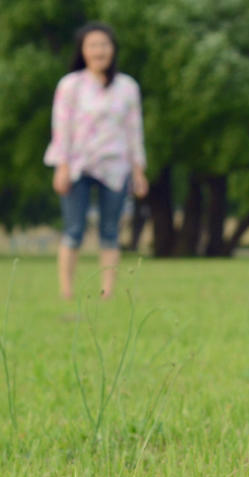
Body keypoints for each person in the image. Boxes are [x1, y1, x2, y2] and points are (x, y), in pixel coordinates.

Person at [43, 22, 149, 300]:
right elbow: (61, 128)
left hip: (116, 167)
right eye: (92, 45)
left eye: (104, 44)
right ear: (83, 51)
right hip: (77, 166)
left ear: (113, 50)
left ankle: (108, 293)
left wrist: (139, 171)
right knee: (74, 230)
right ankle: (66, 292)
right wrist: (62, 166)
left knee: (110, 231)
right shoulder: (71, 85)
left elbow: (134, 131)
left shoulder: (127, 87)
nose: (99, 50)